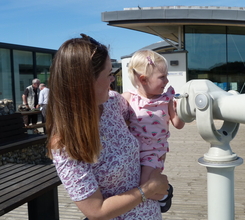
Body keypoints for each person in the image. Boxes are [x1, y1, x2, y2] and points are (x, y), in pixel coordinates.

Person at [46, 34, 169, 219]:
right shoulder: (65, 144)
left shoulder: (113, 102)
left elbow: (143, 122)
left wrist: (158, 152)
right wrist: (149, 188)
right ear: (85, 83)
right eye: (109, 74)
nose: (113, 80)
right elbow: (96, 211)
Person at [122, 50, 185, 213]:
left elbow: (178, 124)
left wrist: (183, 111)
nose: (167, 80)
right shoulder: (129, 98)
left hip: (154, 152)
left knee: (145, 186)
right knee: (130, 183)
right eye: (162, 77)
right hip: (132, 152)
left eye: (166, 75)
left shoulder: (166, 100)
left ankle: (164, 194)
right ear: (143, 79)